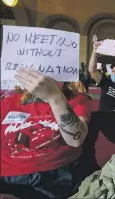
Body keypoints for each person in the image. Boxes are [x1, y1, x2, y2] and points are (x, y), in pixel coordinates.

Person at [0, 68, 92, 199]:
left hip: (52, 177)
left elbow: (75, 139)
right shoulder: (8, 102)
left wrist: (54, 96)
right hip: (5, 175)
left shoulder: (77, 100)